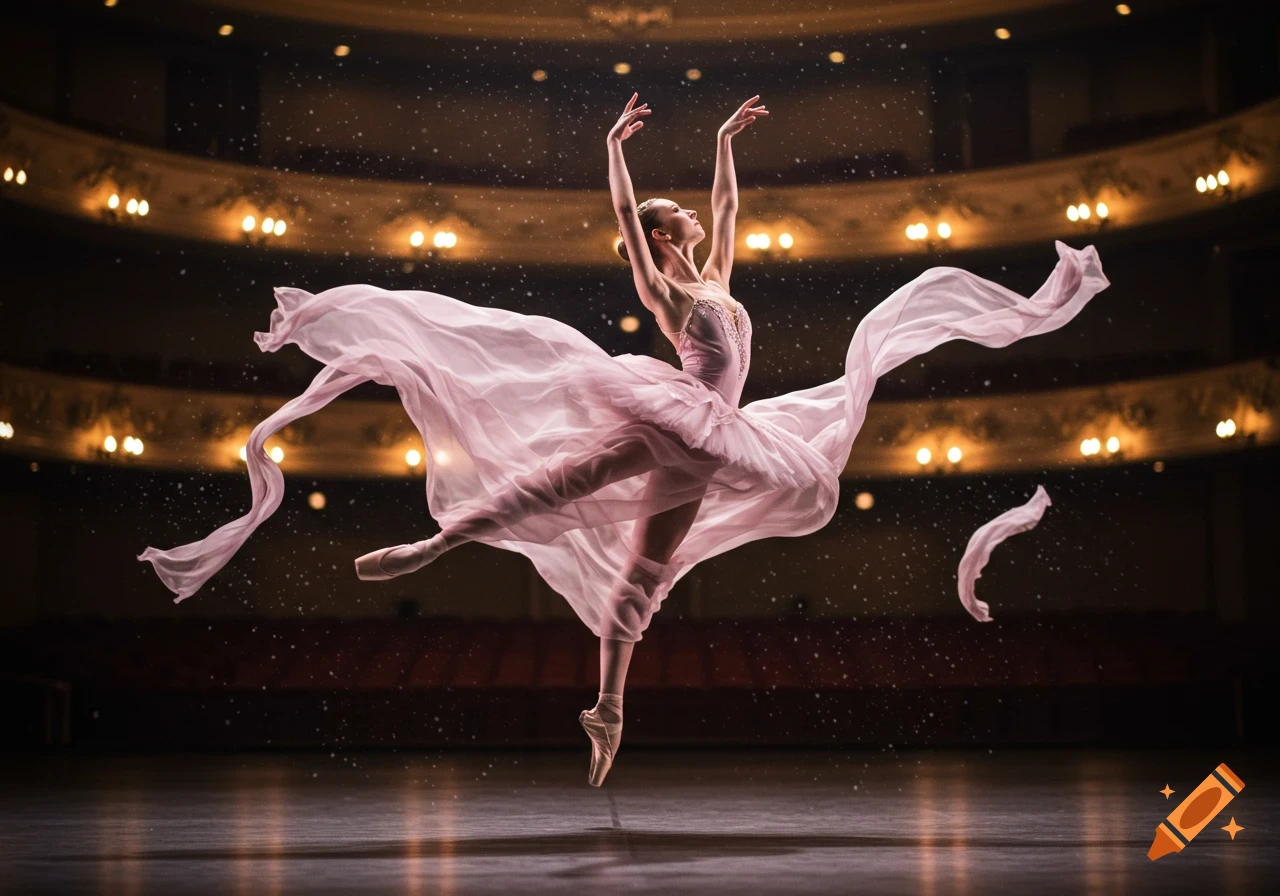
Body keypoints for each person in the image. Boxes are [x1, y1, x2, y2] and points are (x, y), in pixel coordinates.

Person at [139, 93, 1110, 787]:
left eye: (687, 213)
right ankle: (433, 544)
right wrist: (612, 145)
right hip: (670, 411)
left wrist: (729, 141)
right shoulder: (669, 288)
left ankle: (605, 706)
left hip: (717, 435)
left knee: (641, 576)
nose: (691, 213)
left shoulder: (719, 270)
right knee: (566, 481)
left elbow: (731, 209)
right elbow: (620, 217)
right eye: (674, 214)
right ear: (659, 237)